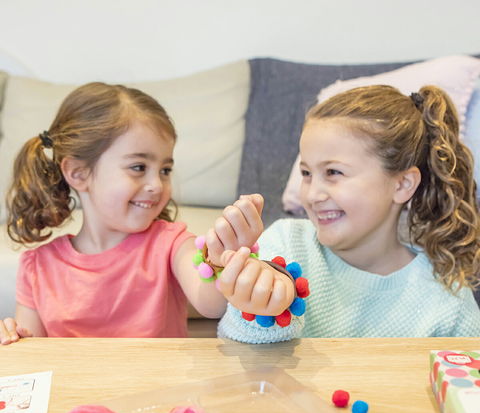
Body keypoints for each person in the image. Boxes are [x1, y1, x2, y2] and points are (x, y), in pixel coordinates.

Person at [0, 82, 294, 344]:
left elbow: (211, 304)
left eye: (165, 170)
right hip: (73, 390)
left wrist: (221, 259)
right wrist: (14, 337)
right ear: (78, 173)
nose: (157, 184)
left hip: (160, 389)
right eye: (138, 167)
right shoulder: (37, 267)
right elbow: (33, 360)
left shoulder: (171, 243)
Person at [217, 84, 480, 343]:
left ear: (402, 184)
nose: (312, 194)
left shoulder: (447, 299)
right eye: (307, 173)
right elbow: (236, 348)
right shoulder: (285, 243)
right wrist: (260, 309)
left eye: (334, 172)